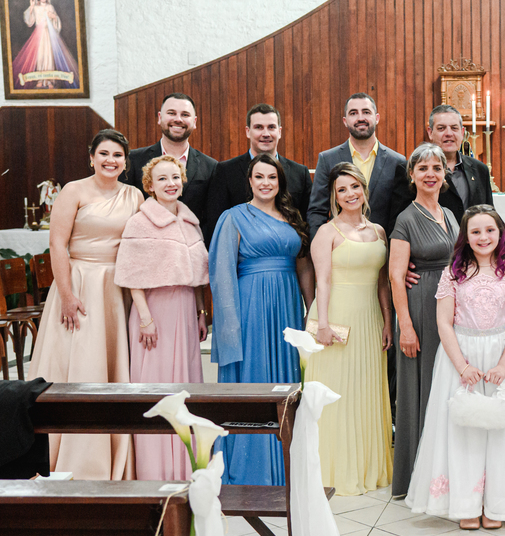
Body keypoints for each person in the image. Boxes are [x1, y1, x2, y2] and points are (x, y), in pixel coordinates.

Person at [406, 206, 505, 530]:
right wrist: (462, 366)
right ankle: (466, 503)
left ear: (500, 233)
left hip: (501, 355)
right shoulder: (453, 273)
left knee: (500, 430)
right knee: (464, 430)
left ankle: (498, 503)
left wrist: (503, 365)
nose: (483, 237)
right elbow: (443, 323)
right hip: (462, 355)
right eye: (475, 231)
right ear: (465, 236)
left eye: (489, 230)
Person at [29, 130, 143, 480]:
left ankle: (113, 455)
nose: (111, 160)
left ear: (126, 162)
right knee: (77, 364)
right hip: (78, 283)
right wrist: (66, 294)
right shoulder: (74, 191)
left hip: (117, 288)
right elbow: (57, 244)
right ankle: (67, 458)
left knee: (111, 367)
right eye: (104, 154)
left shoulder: (134, 195)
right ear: (91, 157)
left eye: (118, 155)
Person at [209, 154, 315, 485]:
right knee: (256, 373)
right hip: (251, 306)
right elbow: (221, 273)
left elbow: (303, 266)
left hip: (287, 305)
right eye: (259, 177)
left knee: (285, 377)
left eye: (272, 177)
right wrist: (230, 326)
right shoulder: (233, 217)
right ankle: (252, 465)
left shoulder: (292, 217)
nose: (266, 182)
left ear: (280, 182)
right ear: (250, 181)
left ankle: (285, 461)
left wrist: (311, 308)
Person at [114, 155, 209, 482]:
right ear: (150, 186)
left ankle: (188, 468)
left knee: (185, 385)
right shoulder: (139, 223)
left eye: (175, 177)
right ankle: (156, 472)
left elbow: (197, 276)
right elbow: (132, 276)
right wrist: (145, 319)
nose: (171, 184)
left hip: (185, 310)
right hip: (155, 312)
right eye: (162, 179)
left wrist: (200, 312)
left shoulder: (190, 221)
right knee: (158, 388)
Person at [305, 163, 393, 495]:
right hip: (336, 316)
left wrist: (387, 321)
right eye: (342, 189)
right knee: (338, 393)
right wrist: (323, 325)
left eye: (355, 186)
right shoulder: (327, 232)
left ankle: (367, 465)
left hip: (370, 318)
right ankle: (334, 469)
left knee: (366, 391)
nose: (350, 194)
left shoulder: (379, 232)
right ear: (334, 196)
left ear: (364, 189)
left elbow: (382, 282)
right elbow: (322, 281)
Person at [390, 143, 460, 497]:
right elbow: (395, 275)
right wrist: (405, 325)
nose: (430, 174)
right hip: (422, 308)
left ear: (445, 173)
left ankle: (445, 470)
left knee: (446, 384)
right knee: (423, 387)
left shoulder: (448, 214)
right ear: (412, 175)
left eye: (436, 168)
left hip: (451, 306)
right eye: (423, 168)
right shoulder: (406, 219)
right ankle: (417, 476)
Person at [204, 104, 312, 244]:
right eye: (259, 127)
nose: (266, 134)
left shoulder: (300, 173)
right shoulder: (225, 171)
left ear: (279, 132)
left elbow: (307, 222)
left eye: (271, 127)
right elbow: (216, 224)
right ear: (248, 131)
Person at [308, 93, 407, 236]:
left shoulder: (398, 162)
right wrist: (319, 245)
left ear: (377, 118)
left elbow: (401, 215)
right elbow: (317, 211)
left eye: (366, 112)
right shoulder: (327, 159)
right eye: (353, 113)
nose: (360, 118)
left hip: (382, 245)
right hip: (340, 246)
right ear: (345, 121)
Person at [388, 105, 493, 228]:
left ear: (462, 132)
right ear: (430, 133)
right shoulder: (410, 170)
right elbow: (398, 224)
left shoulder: (480, 170)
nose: (449, 133)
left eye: (454, 128)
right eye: (441, 128)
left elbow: (490, 216)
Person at [123, 93, 218, 216]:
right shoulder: (133, 160)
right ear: (159, 117)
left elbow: (211, 217)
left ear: (194, 122)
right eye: (171, 113)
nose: (178, 119)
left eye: (185, 115)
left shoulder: (211, 167)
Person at [11, 0, 81, 90]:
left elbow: (56, 21)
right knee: (40, 56)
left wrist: (54, 17)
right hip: (38, 36)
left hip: (49, 35)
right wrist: (31, 6)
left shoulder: (50, 7)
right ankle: (40, 80)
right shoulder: (35, 7)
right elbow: (30, 21)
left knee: (49, 56)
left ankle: (50, 81)